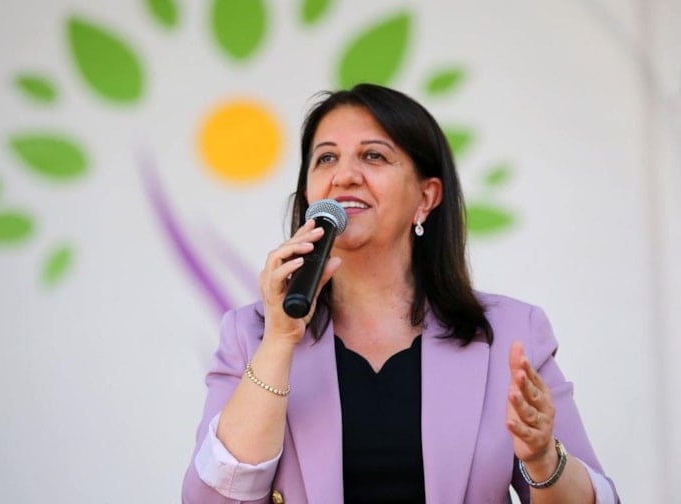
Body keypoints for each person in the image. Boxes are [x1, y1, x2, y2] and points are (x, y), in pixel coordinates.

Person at [182, 83, 619, 503]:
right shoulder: (251, 334)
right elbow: (210, 502)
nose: (344, 176)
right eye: (326, 158)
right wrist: (280, 339)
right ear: (309, 195)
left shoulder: (509, 333)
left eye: (373, 156)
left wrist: (545, 460)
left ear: (426, 197)